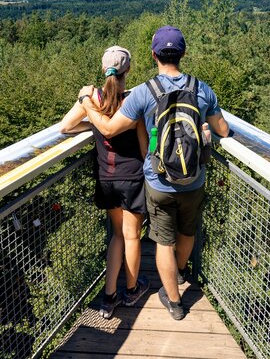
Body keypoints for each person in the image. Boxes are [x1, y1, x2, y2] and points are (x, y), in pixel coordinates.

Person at [79, 26, 229, 320]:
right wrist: (208, 128)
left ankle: (174, 302)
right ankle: (182, 270)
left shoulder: (144, 93)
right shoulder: (202, 88)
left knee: (163, 240)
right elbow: (223, 129)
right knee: (187, 231)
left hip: (158, 181)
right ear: (183, 53)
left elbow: (108, 128)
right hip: (194, 179)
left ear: (153, 55)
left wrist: (86, 100)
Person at [60, 46, 150, 318]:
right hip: (132, 177)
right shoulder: (133, 101)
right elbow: (145, 149)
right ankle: (132, 290)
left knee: (116, 236)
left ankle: (108, 297)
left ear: (103, 70)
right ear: (128, 71)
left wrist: (93, 121)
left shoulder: (93, 98)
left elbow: (65, 126)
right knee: (132, 236)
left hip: (106, 177)